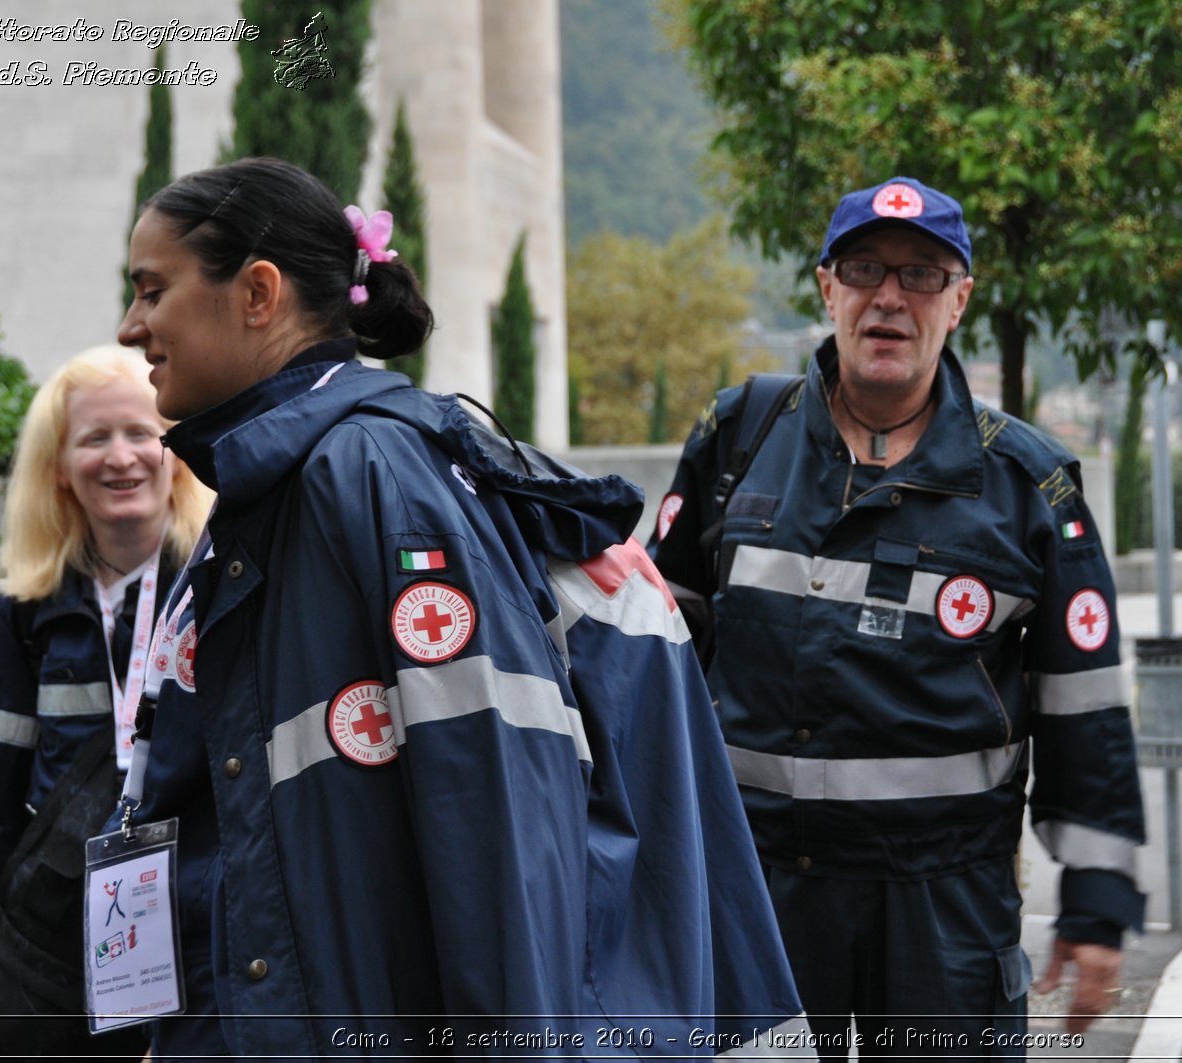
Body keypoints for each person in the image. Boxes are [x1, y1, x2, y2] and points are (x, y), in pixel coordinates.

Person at [112, 156, 807, 1057]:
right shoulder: (274, 487)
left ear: (257, 293)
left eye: (151, 290)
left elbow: (494, 811)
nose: (132, 327)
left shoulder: (366, 477)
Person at [649, 176, 1147, 1056]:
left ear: (959, 301)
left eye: (922, 274)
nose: (890, 296)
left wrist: (1099, 903)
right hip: (756, 895)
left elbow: (1086, 707)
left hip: (943, 911)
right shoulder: (737, 440)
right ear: (826, 287)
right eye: (866, 267)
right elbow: (654, 657)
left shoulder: (1033, 486)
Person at [0, 346, 210, 1058]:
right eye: (94, 438)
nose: (122, 457)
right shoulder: (22, 610)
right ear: (57, 466)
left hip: (193, 936)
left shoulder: (215, 588)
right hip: (54, 952)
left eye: (143, 433)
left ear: (176, 451)